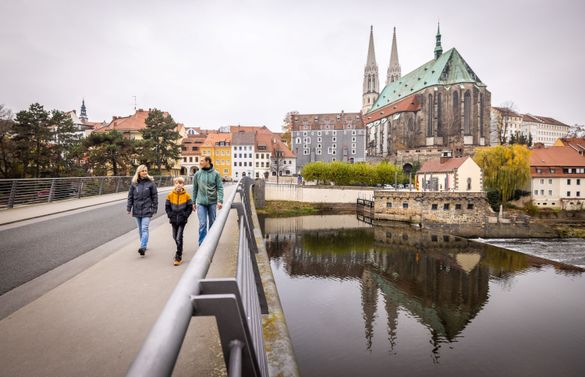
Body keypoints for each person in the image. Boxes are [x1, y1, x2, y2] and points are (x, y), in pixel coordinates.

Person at [127, 165, 158, 256]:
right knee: (140, 229)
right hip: (136, 209)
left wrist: (154, 208)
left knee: (144, 228)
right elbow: (130, 197)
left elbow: (155, 197)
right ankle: (143, 244)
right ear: (139, 172)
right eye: (142, 171)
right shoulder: (134, 183)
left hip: (147, 209)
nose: (145, 172)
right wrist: (129, 208)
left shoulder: (151, 183)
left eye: (146, 170)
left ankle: (143, 247)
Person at [192, 156, 223, 245]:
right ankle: (202, 243)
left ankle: (211, 242)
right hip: (201, 203)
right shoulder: (197, 174)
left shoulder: (216, 174)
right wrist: (193, 202)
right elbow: (195, 189)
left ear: (208, 161)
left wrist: (220, 201)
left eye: (202, 161)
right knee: (202, 224)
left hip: (212, 202)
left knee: (212, 223)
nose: (200, 162)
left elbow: (220, 188)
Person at [165, 177, 193, 266]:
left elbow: (190, 207)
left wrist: (185, 215)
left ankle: (178, 256)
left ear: (183, 185)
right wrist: (170, 215)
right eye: (177, 183)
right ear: (174, 184)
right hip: (173, 219)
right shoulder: (170, 195)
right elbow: (167, 207)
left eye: (180, 183)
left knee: (178, 237)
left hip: (182, 220)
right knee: (174, 236)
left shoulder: (187, 195)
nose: (178, 185)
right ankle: (179, 247)